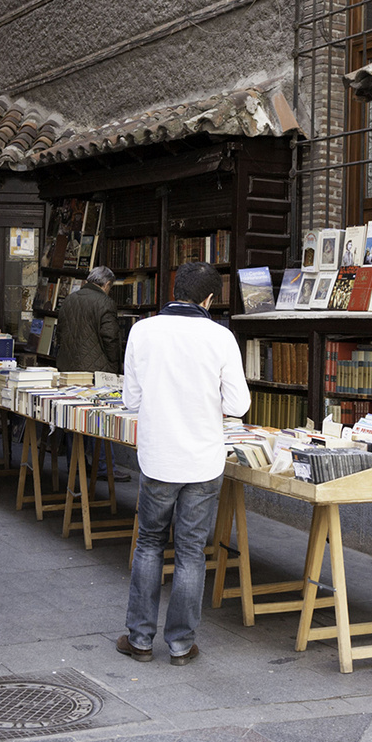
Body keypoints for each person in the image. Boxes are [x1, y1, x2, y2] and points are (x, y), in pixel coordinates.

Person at [117, 261, 249, 667]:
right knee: (191, 550)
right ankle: (180, 644)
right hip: (203, 460)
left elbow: (131, 401)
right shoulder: (221, 337)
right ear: (209, 299)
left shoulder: (143, 331)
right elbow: (238, 405)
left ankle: (140, 639)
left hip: (158, 459)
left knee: (150, 544)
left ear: (174, 290)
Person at [56, 265, 122, 375]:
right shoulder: (106, 303)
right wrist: (114, 366)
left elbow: (60, 333)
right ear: (107, 284)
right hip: (95, 371)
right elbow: (111, 338)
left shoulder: (68, 300)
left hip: (67, 368)